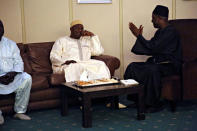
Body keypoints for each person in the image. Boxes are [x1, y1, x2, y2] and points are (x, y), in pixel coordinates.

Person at [124, 5, 182, 112]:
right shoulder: (160, 31)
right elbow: (151, 46)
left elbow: (153, 47)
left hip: (170, 65)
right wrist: (139, 36)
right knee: (133, 67)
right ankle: (138, 101)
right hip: (159, 63)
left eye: (153, 18)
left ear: (159, 18)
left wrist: (139, 36)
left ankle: (154, 104)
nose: (151, 21)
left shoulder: (170, 31)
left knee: (151, 70)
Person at [0, 20, 32, 125]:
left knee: (26, 78)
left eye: (1, 27)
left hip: (10, 76)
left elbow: (19, 62)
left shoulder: (11, 44)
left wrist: (13, 74)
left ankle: (19, 111)